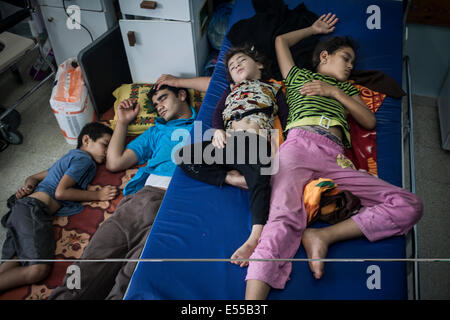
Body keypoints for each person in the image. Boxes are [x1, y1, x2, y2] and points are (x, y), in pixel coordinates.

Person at [244, 13, 423, 299]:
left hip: (335, 156)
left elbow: (368, 121)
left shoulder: (348, 89)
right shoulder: (299, 76)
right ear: (324, 56)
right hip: (298, 146)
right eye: (346, 58)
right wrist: (313, 29)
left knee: (410, 205)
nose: (351, 66)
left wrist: (335, 93)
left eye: (352, 62)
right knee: (281, 221)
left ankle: (322, 236)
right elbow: (281, 42)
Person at [49, 76, 209, 300]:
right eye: (155, 104)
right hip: (139, 201)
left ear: (182, 95)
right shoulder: (155, 132)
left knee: (132, 279)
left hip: (176, 206)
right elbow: (114, 162)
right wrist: (122, 122)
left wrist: (179, 81)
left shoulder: (207, 122)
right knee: (85, 266)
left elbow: (222, 84)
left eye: (163, 98)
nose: (159, 106)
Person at [177, 44, 289, 267]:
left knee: (261, 174)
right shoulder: (230, 90)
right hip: (227, 143)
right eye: (231, 65)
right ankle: (231, 178)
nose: (236, 65)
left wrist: (281, 146)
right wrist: (217, 130)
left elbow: (287, 121)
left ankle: (255, 236)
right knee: (183, 155)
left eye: (241, 60)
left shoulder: (273, 90)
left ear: (259, 64)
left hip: (256, 143)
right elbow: (218, 113)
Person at [0, 122, 117, 292]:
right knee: (37, 270)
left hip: (24, 209)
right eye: (105, 145)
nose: (107, 152)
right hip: (33, 209)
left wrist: (29, 187)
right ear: (86, 140)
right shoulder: (84, 160)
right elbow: (61, 193)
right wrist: (98, 195)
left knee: (14, 262)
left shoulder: (68, 158)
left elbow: (32, 177)